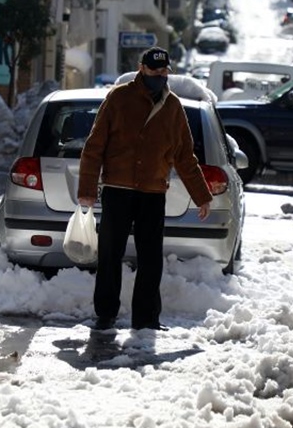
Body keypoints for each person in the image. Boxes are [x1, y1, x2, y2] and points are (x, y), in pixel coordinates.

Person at [77, 46, 213, 332]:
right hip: (118, 188)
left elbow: (185, 156)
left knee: (151, 258)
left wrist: (201, 195)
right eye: (154, 71)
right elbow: (94, 146)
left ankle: (147, 319)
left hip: (152, 192)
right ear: (142, 69)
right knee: (110, 254)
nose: (160, 77)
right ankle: (105, 314)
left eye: (164, 72)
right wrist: (87, 188)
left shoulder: (173, 106)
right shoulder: (119, 98)